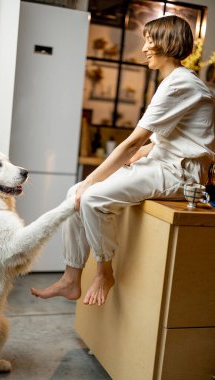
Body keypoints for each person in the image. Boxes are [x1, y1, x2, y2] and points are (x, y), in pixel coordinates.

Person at [31, 15, 215, 306]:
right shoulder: (174, 82)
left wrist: (94, 179)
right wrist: (120, 169)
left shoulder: (180, 84)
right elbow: (155, 142)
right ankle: (70, 278)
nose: (143, 48)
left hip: (181, 174)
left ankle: (105, 272)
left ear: (167, 43)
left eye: (149, 41)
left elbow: (133, 142)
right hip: (162, 164)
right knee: (74, 193)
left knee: (90, 197)